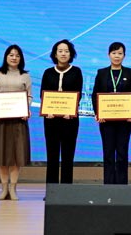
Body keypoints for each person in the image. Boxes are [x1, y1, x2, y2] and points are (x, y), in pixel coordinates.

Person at [0, 44, 32, 201]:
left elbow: (29, 96)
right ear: (6, 57)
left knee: (16, 157)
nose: (14, 58)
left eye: (17, 55)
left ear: (21, 58)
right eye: (11, 55)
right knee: (2, 156)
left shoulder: (25, 76)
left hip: (18, 122)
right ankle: (4, 189)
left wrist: (26, 109)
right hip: (0, 121)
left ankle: (13, 189)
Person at [92, 41, 131, 184]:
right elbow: (95, 94)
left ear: (124, 55)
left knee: (122, 153)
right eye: (114, 53)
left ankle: (122, 184)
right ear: (109, 55)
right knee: (108, 152)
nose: (117, 56)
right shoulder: (101, 73)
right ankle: (108, 184)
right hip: (106, 120)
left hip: (125, 120)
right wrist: (98, 113)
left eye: (120, 53)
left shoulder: (130, 73)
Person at [40, 39, 83, 185]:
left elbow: (78, 94)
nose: (63, 54)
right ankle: (51, 190)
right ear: (55, 54)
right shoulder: (48, 72)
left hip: (70, 120)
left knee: (68, 156)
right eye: (60, 51)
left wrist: (71, 110)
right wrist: (47, 110)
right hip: (51, 120)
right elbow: (43, 94)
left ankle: (66, 190)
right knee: (51, 155)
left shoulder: (76, 71)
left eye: (66, 51)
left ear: (71, 54)